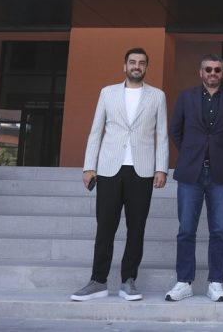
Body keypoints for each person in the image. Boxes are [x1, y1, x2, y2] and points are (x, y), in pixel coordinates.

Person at [71, 48, 169, 302]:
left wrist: (161, 168)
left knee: (136, 228)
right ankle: (98, 281)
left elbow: (162, 134)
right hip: (109, 169)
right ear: (124, 66)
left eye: (142, 63)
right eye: (132, 62)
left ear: (146, 67)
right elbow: (96, 131)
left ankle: (128, 281)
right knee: (105, 227)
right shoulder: (108, 93)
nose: (137, 66)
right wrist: (88, 166)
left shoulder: (157, 96)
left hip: (142, 170)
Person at [165, 54, 223, 303]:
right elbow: (175, 130)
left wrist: (220, 154)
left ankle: (216, 283)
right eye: (208, 69)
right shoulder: (186, 97)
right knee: (186, 230)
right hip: (191, 173)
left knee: (219, 231)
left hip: (220, 174)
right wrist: (192, 152)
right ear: (201, 72)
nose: (213, 73)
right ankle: (184, 282)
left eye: (217, 70)